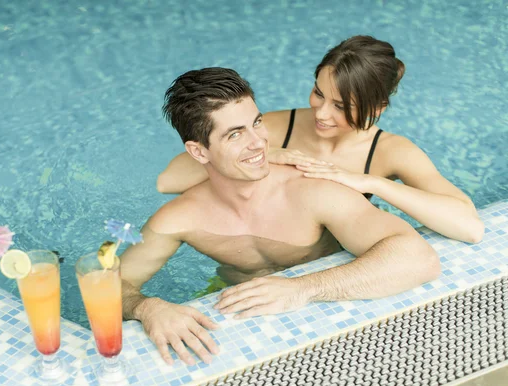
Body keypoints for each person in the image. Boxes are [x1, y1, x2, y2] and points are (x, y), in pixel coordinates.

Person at [120, 67, 440, 367]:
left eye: (257, 123)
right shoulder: (178, 219)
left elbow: (418, 258)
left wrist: (302, 288)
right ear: (199, 152)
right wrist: (148, 308)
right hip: (241, 318)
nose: (258, 142)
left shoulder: (309, 190)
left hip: (337, 303)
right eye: (235, 135)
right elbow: (110, 284)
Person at [156, 36, 484, 244]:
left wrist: (370, 182)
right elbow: (168, 181)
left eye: (341, 106)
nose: (322, 113)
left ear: (378, 108)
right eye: (318, 93)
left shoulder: (389, 152)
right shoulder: (278, 126)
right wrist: (273, 154)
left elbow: (469, 226)